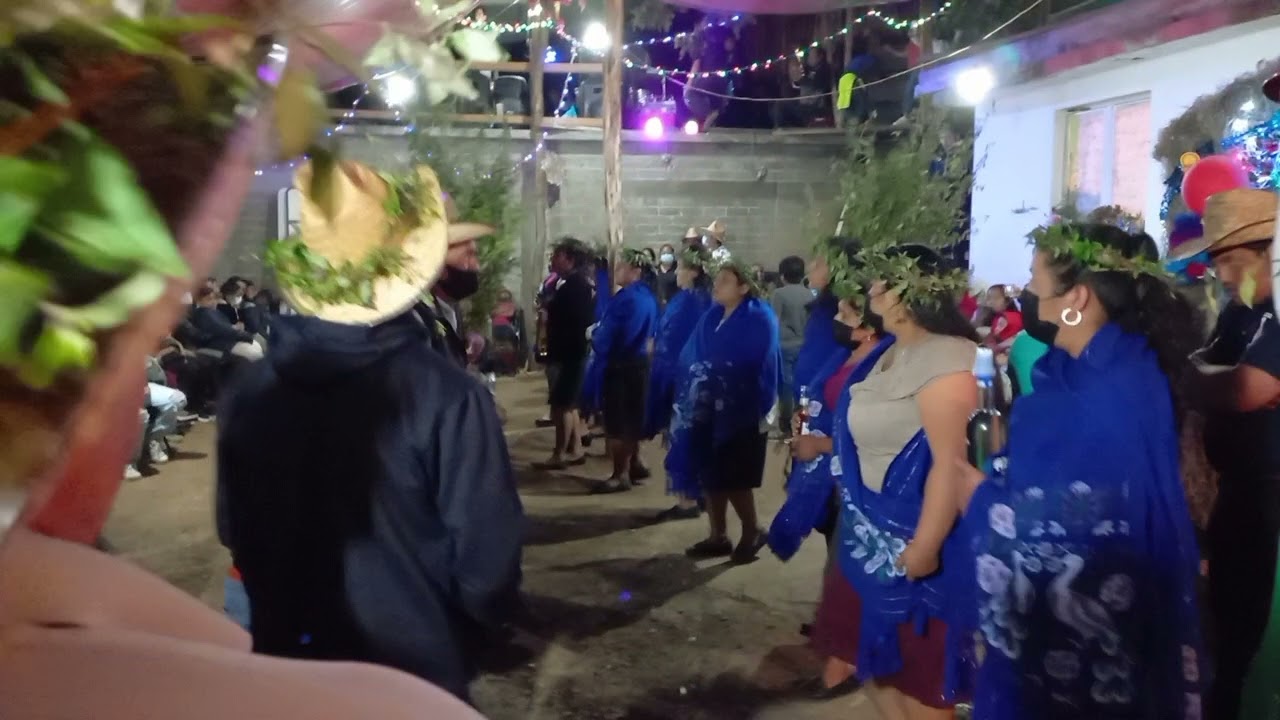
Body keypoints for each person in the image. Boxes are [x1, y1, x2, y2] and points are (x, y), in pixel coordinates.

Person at [217, 160, 522, 702]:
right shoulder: (447, 396)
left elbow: (233, 527)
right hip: (412, 675)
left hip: (286, 665)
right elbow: (486, 561)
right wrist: (455, 631)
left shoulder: (249, 391)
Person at [958, 223, 1205, 719]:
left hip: (1091, 647)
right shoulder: (1082, 374)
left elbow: (1082, 519)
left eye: (1034, 278)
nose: (1026, 292)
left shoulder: (1107, 393)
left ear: (1078, 297)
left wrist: (983, 499)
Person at [829, 244, 978, 719]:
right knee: (878, 674)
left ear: (909, 291)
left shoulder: (945, 358)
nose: (872, 288)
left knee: (921, 688)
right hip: (866, 541)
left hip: (911, 544)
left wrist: (925, 546)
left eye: (882, 280)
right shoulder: (891, 352)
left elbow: (946, 462)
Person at [1178, 188, 1280, 720]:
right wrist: (1209, 380)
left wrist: (1209, 383)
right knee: (1229, 624)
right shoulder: (1239, 316)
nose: (1223, 275)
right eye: (1218, 264)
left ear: (1270, 254)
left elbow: (1247, 390)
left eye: (1236, 262)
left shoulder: (1275, 316)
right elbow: (1199, 371)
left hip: (1269, 497)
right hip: (1235, 494)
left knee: (1253, 630)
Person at [789, 282, 895, 699]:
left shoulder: (883, 365)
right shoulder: (848, 354)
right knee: (835, 561)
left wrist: (822, 444)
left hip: (862, 482)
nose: (837, 320)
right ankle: (839, 646)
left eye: (847, 316)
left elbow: (878, 436)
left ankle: (845, 662)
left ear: (869, 327)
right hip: (834, 476)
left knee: (849, 569)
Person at [668, 262, 781, 564]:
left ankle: (752, 530)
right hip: (708, 406)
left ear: (744, 287)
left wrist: (717, 374)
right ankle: (718, 535)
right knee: (710, 471)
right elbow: (694, 351)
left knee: (735, 476)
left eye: (726, 281)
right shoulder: (713, 315)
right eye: (717, 280)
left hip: (743, 408)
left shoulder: (759, 317)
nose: (716, 286)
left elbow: (757, 362)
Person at [583, 249, 660, 494]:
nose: (616, 271)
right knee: (634, 417)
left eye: (621, 267)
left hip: (622, 365)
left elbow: (611, 334)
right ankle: (635, 462)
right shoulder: (648, 296)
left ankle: (620, 474)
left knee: (617, 422)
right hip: (641, 363)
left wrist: (594, 333)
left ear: (635, 271)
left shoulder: (626, 299)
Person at [649, 246, 716, 521]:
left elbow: (670, 339)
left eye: (682, 267)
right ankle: (699, 495)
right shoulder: (710, 300)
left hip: (685, 377)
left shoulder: (687, 301)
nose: (677, 272)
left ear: (694, 271)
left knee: (682, 438)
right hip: (705, 378)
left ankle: (686, 501)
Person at [540, 237, 595, 468]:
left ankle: (560, 453)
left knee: (562, 404)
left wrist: (549, 309)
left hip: (568, 353)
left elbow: (573, 320)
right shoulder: (569, 283)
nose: (553, 260)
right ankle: (575, 449)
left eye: (557, 256)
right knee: (569, 404)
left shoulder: (576, 286)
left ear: (570, 260)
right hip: (570, 352)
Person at [771, 255, 814, 436]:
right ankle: (801, 417)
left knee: (786, 384)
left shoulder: (779, 294)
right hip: (804, 344)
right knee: (802, 381)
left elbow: (773, 320)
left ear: (782, 276)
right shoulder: (810, 294)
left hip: (784, 344)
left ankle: (786, 421)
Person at [191, 287, 264, 361]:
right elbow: (220, 329)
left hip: (229, 339)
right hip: (218, 342)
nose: (213, 302)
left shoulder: (215, 312)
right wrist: (242, 334)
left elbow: (225, 326)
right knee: (253, 352)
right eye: (209, 299)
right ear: (198, 300)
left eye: (214, 298)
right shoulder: (203, 313)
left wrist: (236, 329)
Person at [982, 284, 1022, 350]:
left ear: (1007, 301)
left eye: (996, 298)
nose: (991, 302)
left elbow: (993, 339)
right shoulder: (1018, 315)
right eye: (989, 298)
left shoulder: (1003, 318)